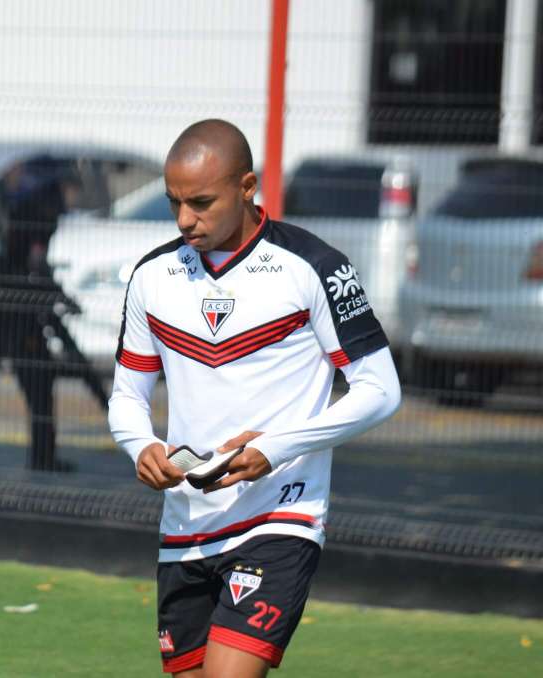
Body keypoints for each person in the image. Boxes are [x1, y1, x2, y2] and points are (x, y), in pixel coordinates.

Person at [108, 119, 401, 677]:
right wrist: (140, 445)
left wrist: (275, 448)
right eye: (174, 202)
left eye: (201, 202)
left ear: (247, 187)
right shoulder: (151, 276)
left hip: (279, 517)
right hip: (185, 526)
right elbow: (127, 395)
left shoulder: (314, 267)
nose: (184, 219)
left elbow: (381, 390)